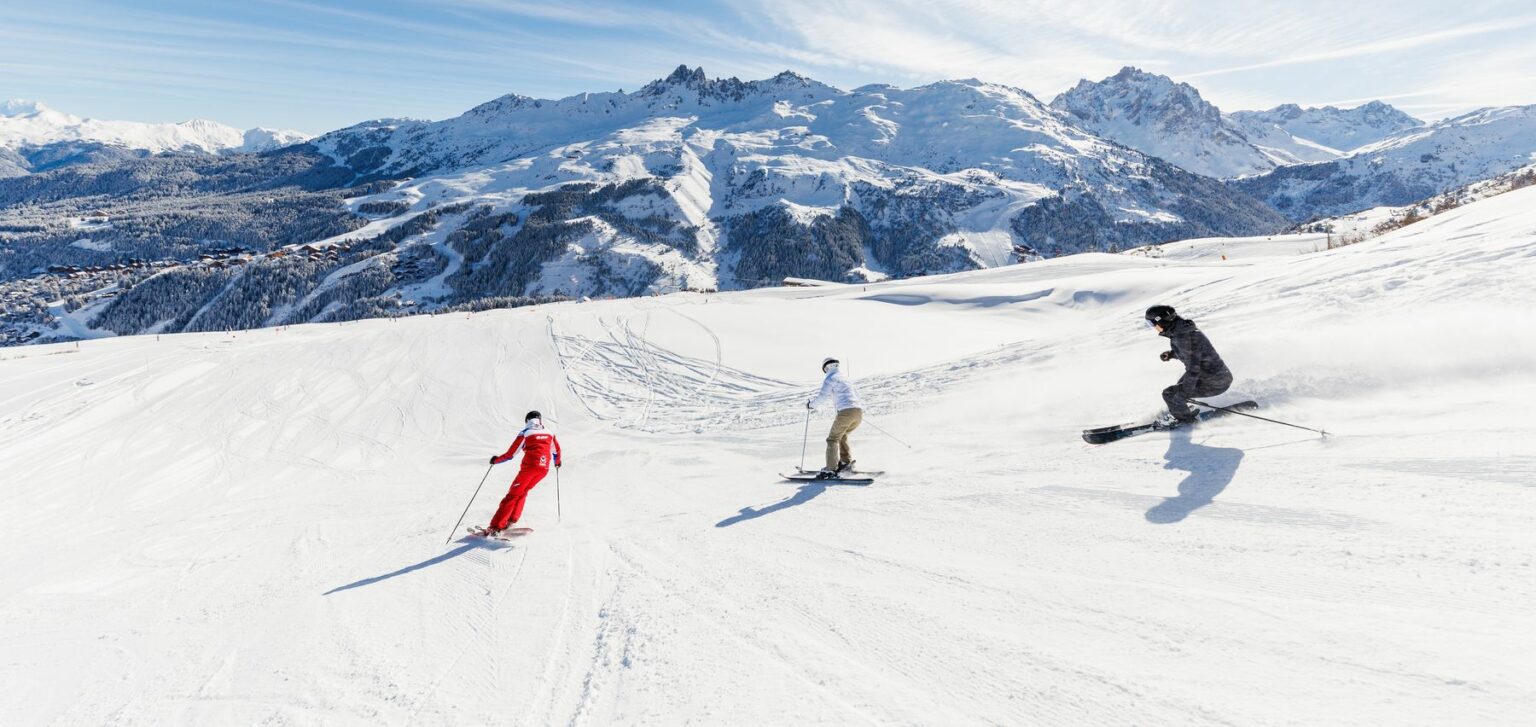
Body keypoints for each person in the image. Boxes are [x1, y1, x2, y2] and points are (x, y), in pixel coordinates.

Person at [1146, 305, 1232, 426]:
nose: (1153, 327)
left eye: (1152, 323)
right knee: (1177, 390)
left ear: (1162, 321)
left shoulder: (1182, 337)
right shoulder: (1182, 330)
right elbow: (1193, 353)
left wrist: (1184, 393)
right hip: (1217, 376)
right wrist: (1171, 354)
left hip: (1215, 383)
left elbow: (1193, 368)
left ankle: (1185, 421)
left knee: (1170, 394)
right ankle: (1181, 410)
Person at [480, 411, 562, 535]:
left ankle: (495, 527)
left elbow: (510, 455)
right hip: (543, 470)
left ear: (527, 420)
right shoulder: (549, 433)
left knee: (512, 495)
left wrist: (496, 460)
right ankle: (512, 519)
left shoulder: (525, 433)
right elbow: (556, 451)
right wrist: (557, 462)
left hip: (529, 469)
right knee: (522, 491)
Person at [807, 357, 864, 479]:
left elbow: (822, 396)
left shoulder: (830, 378)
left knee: (832, 439)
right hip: (858, 412)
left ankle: (830, 470)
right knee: (842, 435)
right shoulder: (846, 379)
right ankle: (846, 463)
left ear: (826, 368)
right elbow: (857, 396)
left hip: (846, 412)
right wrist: (855, 410)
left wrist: (811, 405)